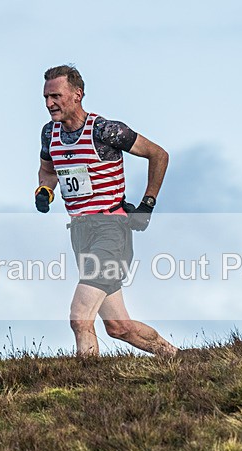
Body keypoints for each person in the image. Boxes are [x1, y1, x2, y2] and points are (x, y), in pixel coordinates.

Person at [35, 64, 177, 357]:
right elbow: (47, 170)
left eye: (56, 96)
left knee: (80, 316)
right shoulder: (49, 134)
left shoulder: (105, 131)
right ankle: (177, 357)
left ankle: (85, 378)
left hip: (111, 231)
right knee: (118, 326)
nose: (49, 104)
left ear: (77, 95)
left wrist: (147, 205)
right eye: (46, 97)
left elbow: (158, 154)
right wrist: (45, 191)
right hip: (80, 232)